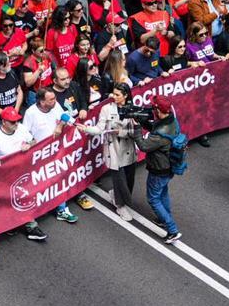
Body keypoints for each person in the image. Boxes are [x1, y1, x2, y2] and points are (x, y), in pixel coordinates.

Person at [75, 83, 139, 220]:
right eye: (113, 93)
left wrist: (121, 132)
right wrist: (86, 129)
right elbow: (99, 128)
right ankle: (120, 205)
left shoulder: (133, 108)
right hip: (113, 149)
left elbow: (136, 131)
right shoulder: (106, 109)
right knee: (119, 179)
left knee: (129, 179)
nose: (113, 97)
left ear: (126, 96)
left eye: (117, 95)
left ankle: (118, 196)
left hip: (128, 147)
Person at [133, 96, 183, 244]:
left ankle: (172, 230)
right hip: (169, 166)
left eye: (154, 108)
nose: (152, 110)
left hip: (158, 169)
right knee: (162, 192)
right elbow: (155, 128)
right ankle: (164, 218)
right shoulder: (171, 120)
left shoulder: (161, 133)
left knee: (153, 198)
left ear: (159, 111)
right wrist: (143, 122)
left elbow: (144, 146)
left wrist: (136, 127)